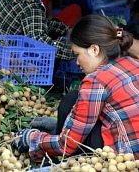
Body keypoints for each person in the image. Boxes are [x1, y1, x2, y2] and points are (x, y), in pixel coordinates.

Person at [11, 14, 139, 161]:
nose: (77, 62)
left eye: (77, 54)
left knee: (70, 100)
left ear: (94, 50)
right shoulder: (133, 62)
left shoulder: (95, 81)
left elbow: (66, 145)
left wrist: (31, 138)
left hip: (128, 160)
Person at [0, 0, 82, 65]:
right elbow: (38, 41)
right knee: (50, 49)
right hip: (4, 61)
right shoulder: (31, 3)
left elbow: (35, 24)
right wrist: (72, 49)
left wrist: (62, 28)